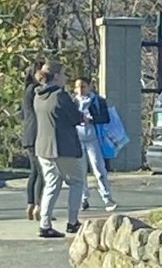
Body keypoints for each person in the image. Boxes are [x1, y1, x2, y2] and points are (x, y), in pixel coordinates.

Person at [34, 60, 85, 238]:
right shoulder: (60, 96)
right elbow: (73, 117)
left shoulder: (37, 95)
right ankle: (72, 222)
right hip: (64, 147)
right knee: (76, 182)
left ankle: (45, 224)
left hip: (42, 146)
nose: (65, 78)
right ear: (56, 76)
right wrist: (81, 115)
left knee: (52, 183)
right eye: (63, 74)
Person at [74, 77, 118, 212]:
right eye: (78, 87)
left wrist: (92, 120)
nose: (80, 90)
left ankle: (107, 198)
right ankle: (83, 198)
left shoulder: (97, 100)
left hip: (93, 139)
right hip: (77, 139)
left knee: (99, 169)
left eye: (83, 86)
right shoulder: (73, 101)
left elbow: (105, 118)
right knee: (80, 171)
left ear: (89, 86)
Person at [22, 60, 44, 220]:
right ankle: (38, 206)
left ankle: (30, 205)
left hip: (29, 134)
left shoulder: (28, 90)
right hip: (36, 134)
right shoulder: (36, 90)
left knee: (34, 172)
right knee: (42, 172)